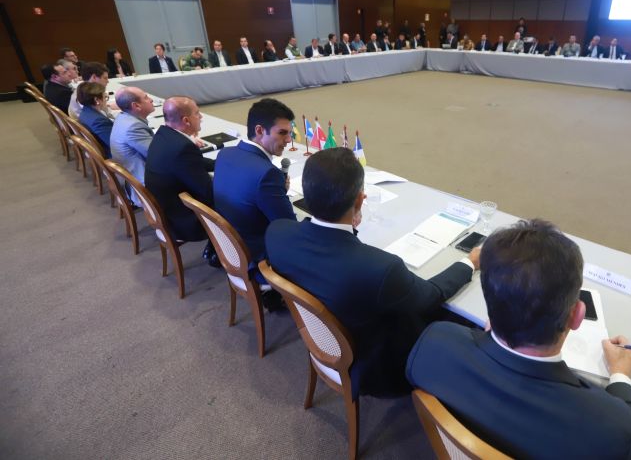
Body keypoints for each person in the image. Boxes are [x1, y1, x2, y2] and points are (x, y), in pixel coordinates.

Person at [407, 219, 631, 459]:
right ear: (577, 316)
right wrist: (621, 375)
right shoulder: (615, 430)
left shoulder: (433, 342)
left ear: (490, 303)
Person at [265, 148, 477, 397]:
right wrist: (470, 262)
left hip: (324, 340)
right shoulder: (380, 268)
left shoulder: (277, 234)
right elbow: (430, 295)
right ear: (359, 200)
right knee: (457, 316)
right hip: (377, 369)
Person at [214, 99, 296, 277]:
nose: (289, 140)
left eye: (289, 133)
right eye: (282, 133)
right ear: (259, 130)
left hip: (229, 246)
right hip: (257, 256)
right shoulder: (268, 174)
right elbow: (289, 227)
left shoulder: (225, 153)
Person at [145, 96, 216, 247]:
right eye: (197, 113)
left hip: (167, 209)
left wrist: (222, 164)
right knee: (240, 204)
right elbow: (208, 192)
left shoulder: (164, 134)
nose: (201, 117)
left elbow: (194, 162)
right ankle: (223, 252)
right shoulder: (183, 147)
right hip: (182, 220)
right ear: (186, 120)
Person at [109, 87, 155, 201]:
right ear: (136, 106)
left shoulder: (123, 117)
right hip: (143, 186)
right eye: (146, 97)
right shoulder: (133, 127)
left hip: (133, 175)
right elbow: (158, 156)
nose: (151, 100)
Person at [77, 82, 114, 157]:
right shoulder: (99, 121)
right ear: (97, 100)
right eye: (105, 97)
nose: (105, 100)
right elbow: (115, 144)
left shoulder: (85, 112)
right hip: (113, 154)